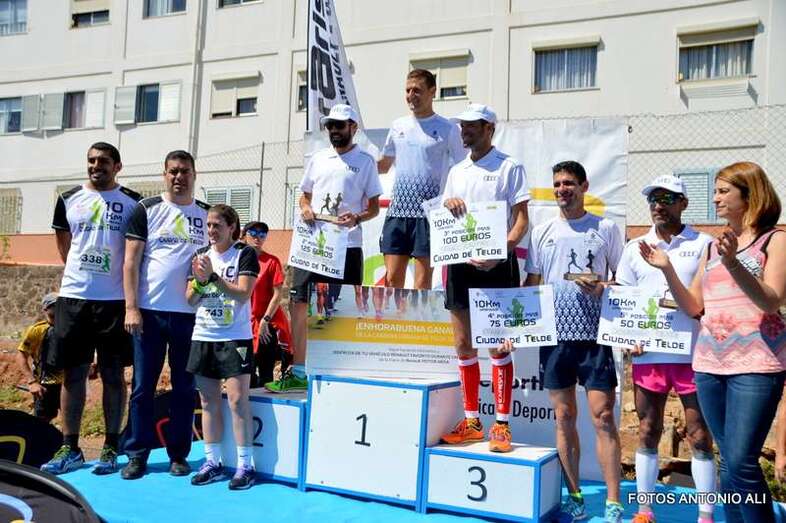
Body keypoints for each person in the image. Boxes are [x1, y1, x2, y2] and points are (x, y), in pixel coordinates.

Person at [640, 161, 786, 523]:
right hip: (708, 365)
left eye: (723, 191)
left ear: (749, 195)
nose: (716, 197)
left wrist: (734, 262)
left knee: (741, 461)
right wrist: (667, 268)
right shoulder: (713, 248)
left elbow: (772, 299)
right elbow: (694, 306)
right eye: (716, 190)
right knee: (729, 461)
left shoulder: (776, 239)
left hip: (756, 365)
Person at [524, 160, 625, 522]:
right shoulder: (542, 230)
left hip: (594, 337)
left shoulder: (607, 228)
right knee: (564, 417)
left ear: (584, 186)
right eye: (557, 183)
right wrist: (509, 328)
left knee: (603, 418)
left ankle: (614, 501)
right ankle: (576, 496)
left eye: (569, 183)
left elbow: (624, 284)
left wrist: (601, 287)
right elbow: (531, 286)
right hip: (555, 339)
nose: (562, 189)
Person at [615, 176, 716, 523]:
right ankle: (645, 510)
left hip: (693, 354)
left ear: (683, 203)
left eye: (667, 198)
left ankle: (706, 514)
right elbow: (624, 301)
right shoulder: (635, 247)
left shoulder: (704, 243)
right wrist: (629, 336)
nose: (658, 205)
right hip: (651, 355)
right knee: (647, 429)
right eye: (653, 199)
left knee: (699, 434)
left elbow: (709, 299)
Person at [41, 142, 142, 475]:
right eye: (91, 160)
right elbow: (64, 247)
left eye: (103, 161)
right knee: (74, 374)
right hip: (74, 298)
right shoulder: (68, 198)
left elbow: (136, 250)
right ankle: (71, 448)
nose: (96, 165)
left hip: (114, 302)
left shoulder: (133, 201)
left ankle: (111, 446)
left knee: (114, 375)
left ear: (118, 166)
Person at [269, 104, 382, 393]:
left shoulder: (366, 161)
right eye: (330, 125)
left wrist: (357, 217)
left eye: (340, 125)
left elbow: (372, 208)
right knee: (300, 303)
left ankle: (338, 370)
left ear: (353, 128)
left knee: (340, 307)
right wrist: (306, 207)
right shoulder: (318, 158)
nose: (334, 130)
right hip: (312, 244)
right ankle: (299, 370)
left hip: (347, 245)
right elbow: (304, 195)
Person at [437, 103, 529, 454]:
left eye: (473, 126)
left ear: (490, 128)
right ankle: (473, 420)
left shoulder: (509, 166)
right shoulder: (456, 171)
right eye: (462, 126)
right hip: (459, 264)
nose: (465, 131)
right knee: (463, 343)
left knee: (498, 344)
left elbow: (521, 221)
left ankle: (501, 425)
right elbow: (446, 213)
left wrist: (501, 250)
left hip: (497, 266)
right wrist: (449, 205)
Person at [121, 150, 210, 480]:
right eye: (173, 171)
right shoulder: (146, 209)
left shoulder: (205, 214)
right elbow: (130, 262)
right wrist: (131, 307)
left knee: (185, 389)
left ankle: (178, 455)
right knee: (143, 387)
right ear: (164, 174)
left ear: (194, 174)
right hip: (149, 314)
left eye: (184, 171)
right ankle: (136, 455)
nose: (178, 177)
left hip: (190, 316)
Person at [186, 204, 260, 490]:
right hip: (204, 335)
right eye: (208, 225)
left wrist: (214, 278)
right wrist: (201, 282)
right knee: (207, 401)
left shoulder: (245, 253)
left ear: (232, 227)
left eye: (217, 225)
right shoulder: (200, 256)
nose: (211, 230)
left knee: (237, 400)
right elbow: (189, 299)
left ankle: (245, 465)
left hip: (235, 337)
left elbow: (243, 294)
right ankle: (212, 461)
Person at [378, 69, 465, 290]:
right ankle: (394, 323)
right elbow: (383, 166)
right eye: (407, 90)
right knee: (391, 281)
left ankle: (417, 325)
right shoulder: (398, 126)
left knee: (422, 284)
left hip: (429, 214)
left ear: (432, 91)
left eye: (417, 90)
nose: (411, 95)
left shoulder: (448, 129)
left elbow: (464, 167)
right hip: (398, 212)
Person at [242, 221, 292, 387]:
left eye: (262, 234)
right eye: (253, 233)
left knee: (265, 372)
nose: (258, 237)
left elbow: (278, 294)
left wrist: (266, 320)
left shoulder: (271, 261)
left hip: (265, 324)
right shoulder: (236, 260)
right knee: (244, 372)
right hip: (242, 325)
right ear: (244, 236)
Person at [16, 293, 62, 423]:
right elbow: (21, 356)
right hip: (45, 386)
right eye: (54, 305)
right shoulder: (37, 330)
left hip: (68, 384)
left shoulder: (70, 328)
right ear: (45, 309)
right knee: (41, 423)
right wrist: (32, 382)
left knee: (71, 421)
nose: (58, 308)